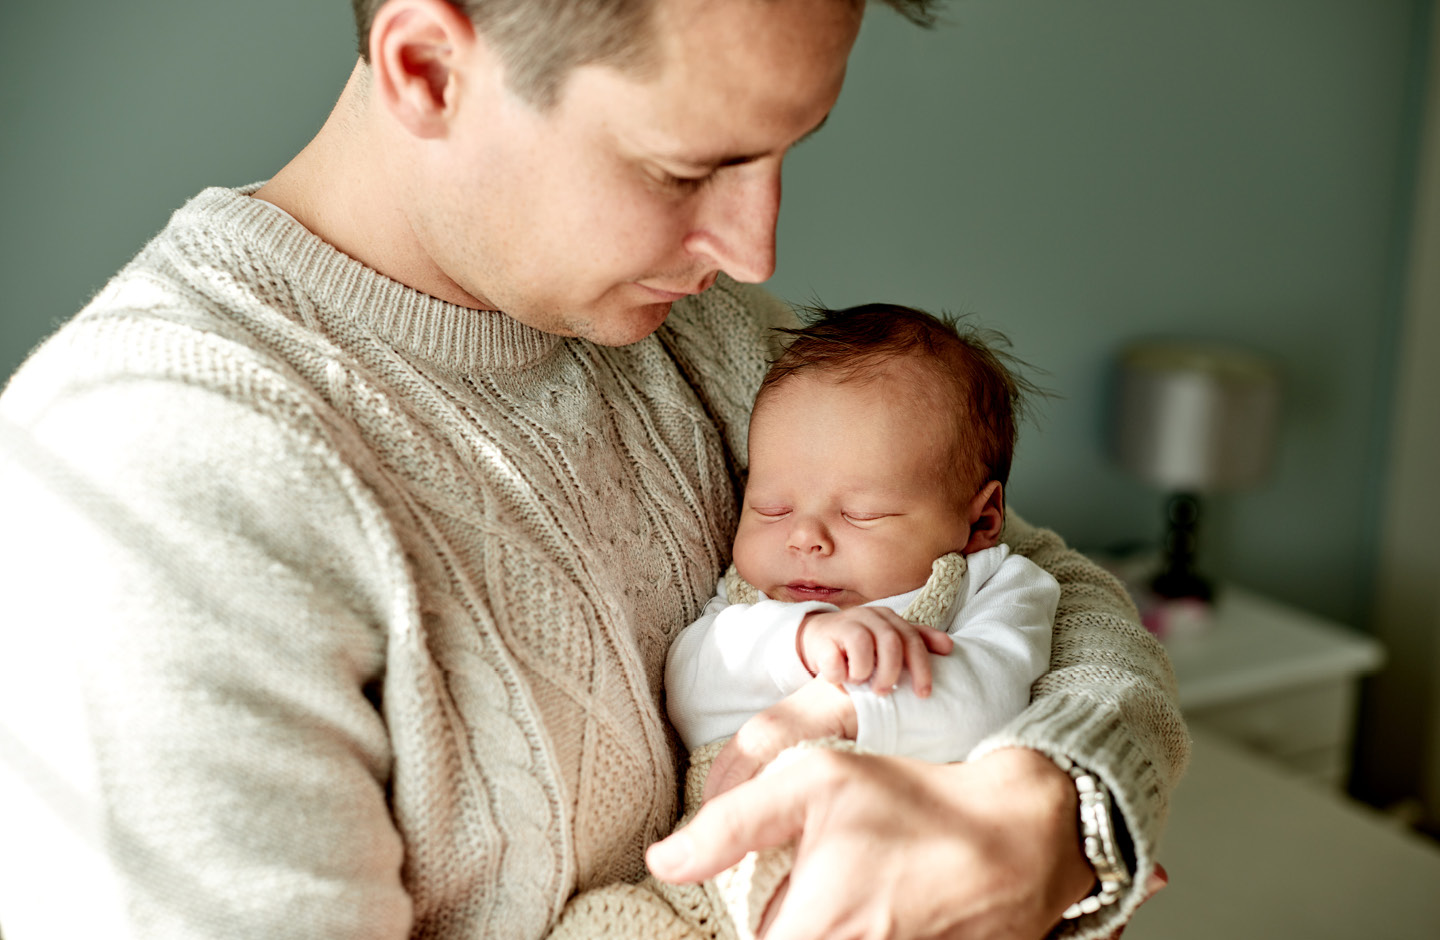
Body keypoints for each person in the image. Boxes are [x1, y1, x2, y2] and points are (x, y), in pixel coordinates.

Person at [0, 1, 1188, 939]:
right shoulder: (154, 481)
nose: (754, 246)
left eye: (784, 152)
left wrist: (1050, 816)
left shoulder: (708, 339)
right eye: (685, 170)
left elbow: (1047, 583)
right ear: (426, 70)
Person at [666, 303, 1059, 779]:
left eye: (860, 514)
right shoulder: (751, 606)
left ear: (981, 523)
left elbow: (993, 697)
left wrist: (843, 708)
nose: (804, 538)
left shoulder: (997, 586)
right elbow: (689, 691)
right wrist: (802, 641)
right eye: (772, 508)